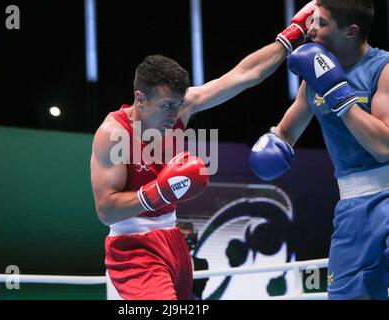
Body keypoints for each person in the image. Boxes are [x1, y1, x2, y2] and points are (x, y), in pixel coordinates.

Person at [90, 1, 317, 300]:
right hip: (133, 247)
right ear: (140, 99)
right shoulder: (113, 133)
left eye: (178, 104)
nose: (174, 114)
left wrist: (292, 35)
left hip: (173, 240)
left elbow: (244, 75)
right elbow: (106, 211)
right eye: (166, 106)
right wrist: (159, 191)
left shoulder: (181, 108)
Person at [249, 0, 389, 300]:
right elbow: (287, 130)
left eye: (321, 23)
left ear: (350, 31)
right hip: (353, 208)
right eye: (312, 21)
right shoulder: (314, 73)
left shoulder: (384, 68)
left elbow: (383, 147)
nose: (310, 29)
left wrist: (338, 92)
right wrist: (273, 142)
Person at [177, 221, 209, 300]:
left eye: (189, 236)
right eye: (182, 236)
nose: (186, 240)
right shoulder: (163, 262)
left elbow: (198, 292)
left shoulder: (202, 264)